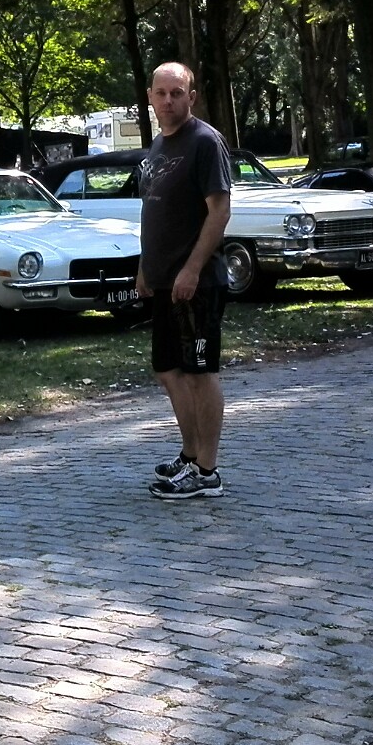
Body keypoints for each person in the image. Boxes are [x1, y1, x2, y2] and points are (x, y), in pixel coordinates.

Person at [134, 62, 234, 501]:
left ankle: (207, 471)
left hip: (198, 282)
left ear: (191, 97)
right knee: (169, 370)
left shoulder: (204, 142)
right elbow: (155, 211)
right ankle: (190, 455)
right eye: (161, 93)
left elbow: (220, 212)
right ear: (150, 97)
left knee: (198, 373)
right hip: (163, 282)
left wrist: (192, 268)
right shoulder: (158, 144)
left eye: (177, 93)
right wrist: (145, 266)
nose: (168, 100)